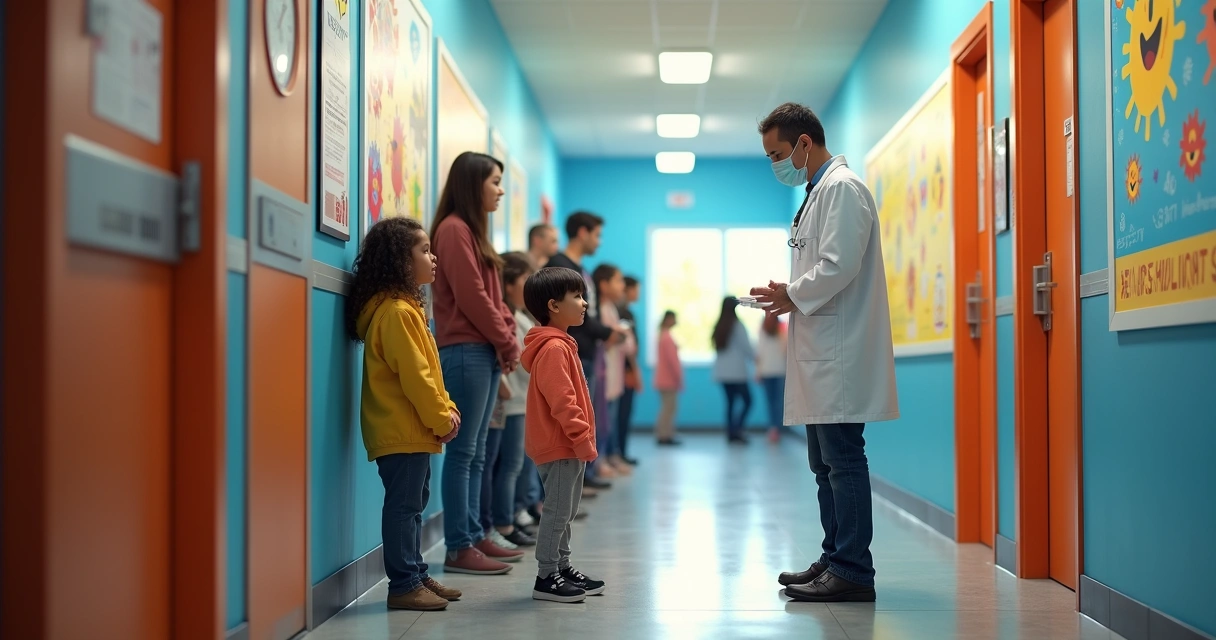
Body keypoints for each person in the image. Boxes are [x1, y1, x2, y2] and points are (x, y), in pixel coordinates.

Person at [752, 103, 899, 603]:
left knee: (842, 460)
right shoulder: (819, 192)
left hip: (840, 352)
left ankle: (853, 570)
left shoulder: (842, 189)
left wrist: (792, 294)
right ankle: (835, 556)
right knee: (824, 464)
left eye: (777, 154)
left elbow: (839, 264)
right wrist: (789, 292)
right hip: (824, 350)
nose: (776, 164)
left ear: (804, 143)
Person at [347, 217, 464, 611]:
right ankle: (403, 585)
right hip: (403, 429)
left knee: (413, 505)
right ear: (401, 260)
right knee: (404, 507)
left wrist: (446, 407)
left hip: (410, 429)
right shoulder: (397, 312)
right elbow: (416, 377)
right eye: (425, 251)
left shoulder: (406, 309)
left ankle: (415, 573)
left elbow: (428, 371)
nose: (434, 258)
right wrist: (440, 417)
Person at [431, 151, 524, 574]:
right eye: (495, 182)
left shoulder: (471, 231)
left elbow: (496, 300)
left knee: (478, 452)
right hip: (466, 350)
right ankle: (458, 547)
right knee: (464, 451)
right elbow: (473, 297)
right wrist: (507, 342)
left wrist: (505, 338)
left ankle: (475, 533)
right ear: (473, 185)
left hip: (481, 349)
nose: (500, 191)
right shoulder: (453, 230)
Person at [521, 267, 608, 603]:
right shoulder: (554, 348)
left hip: (568, 445)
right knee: (557, 512)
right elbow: (563, 403)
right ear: (554, 305)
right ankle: (546, 576)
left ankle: (562, 565)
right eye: (577, 296)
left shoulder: (562, 345)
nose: (585, 303)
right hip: (561, 445)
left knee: (566, 512)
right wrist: (582, 439)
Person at [546, 212, 626, 490]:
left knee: (585, 422)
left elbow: (586, 314)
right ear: (582, 233)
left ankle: (583, 478)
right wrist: (606, 332)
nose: (599, 242)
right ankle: (567, 487)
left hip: (586, 355)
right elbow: (575, 317)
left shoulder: (580, 269)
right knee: (571, 423)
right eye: (597, 235)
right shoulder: (559, 265)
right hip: (572, 353)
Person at [480, 252, 539, 550]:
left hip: (521, 400)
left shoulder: (519, 316)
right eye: (526, 279)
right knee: (508, 465)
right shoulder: (507, 318)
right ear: (509, 283)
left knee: (515, 464)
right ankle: (503, 521)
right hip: (511, 401)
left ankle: (510, 516)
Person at [592, 264, 632, 475]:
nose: (622, 286)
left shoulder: (612, 309)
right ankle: (599, 461)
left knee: (609, 421)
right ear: (604, 285)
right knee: (602, 420)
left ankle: (608, 457)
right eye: (618, 281)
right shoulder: (598, 310)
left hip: (614, 374)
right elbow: (605, 341)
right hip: (604, 374)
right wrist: (616, 335)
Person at [711, 297, 755, 445]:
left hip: (723, 373)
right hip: (737, 373)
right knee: (748, 401)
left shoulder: (719, 326)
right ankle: (738, 430)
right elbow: (747, 348)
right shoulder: (737, 326)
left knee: (730, 404)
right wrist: (757, 358)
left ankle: (731, 433)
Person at [615, 276, 642, 464]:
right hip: (623, 370)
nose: (638, 293)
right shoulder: (621, 313)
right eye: (636, 289)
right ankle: (618, 453)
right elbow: (627, 347)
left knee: (624, 413)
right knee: (620, 414)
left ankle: (621, 452)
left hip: (627, 370)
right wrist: (632, 370)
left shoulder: (627, 313)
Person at [756, 314, 789, 443]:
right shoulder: (782, 331)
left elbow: (759, 353)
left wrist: (758, 372)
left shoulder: (762, 331)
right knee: (778, 402)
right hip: (780, 370)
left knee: (770, 402)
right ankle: (776, 428)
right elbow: (785, 350)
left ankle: (773, 428)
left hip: (766, 371)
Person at [653, 310, 683, 446]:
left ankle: (666, 434)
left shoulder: (663, 335)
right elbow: (672, 361)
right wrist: (678, 377)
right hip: (668, 379)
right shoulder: (667, 338)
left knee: (668, 408)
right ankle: (664, 435)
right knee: (668, 409)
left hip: (664, 379)